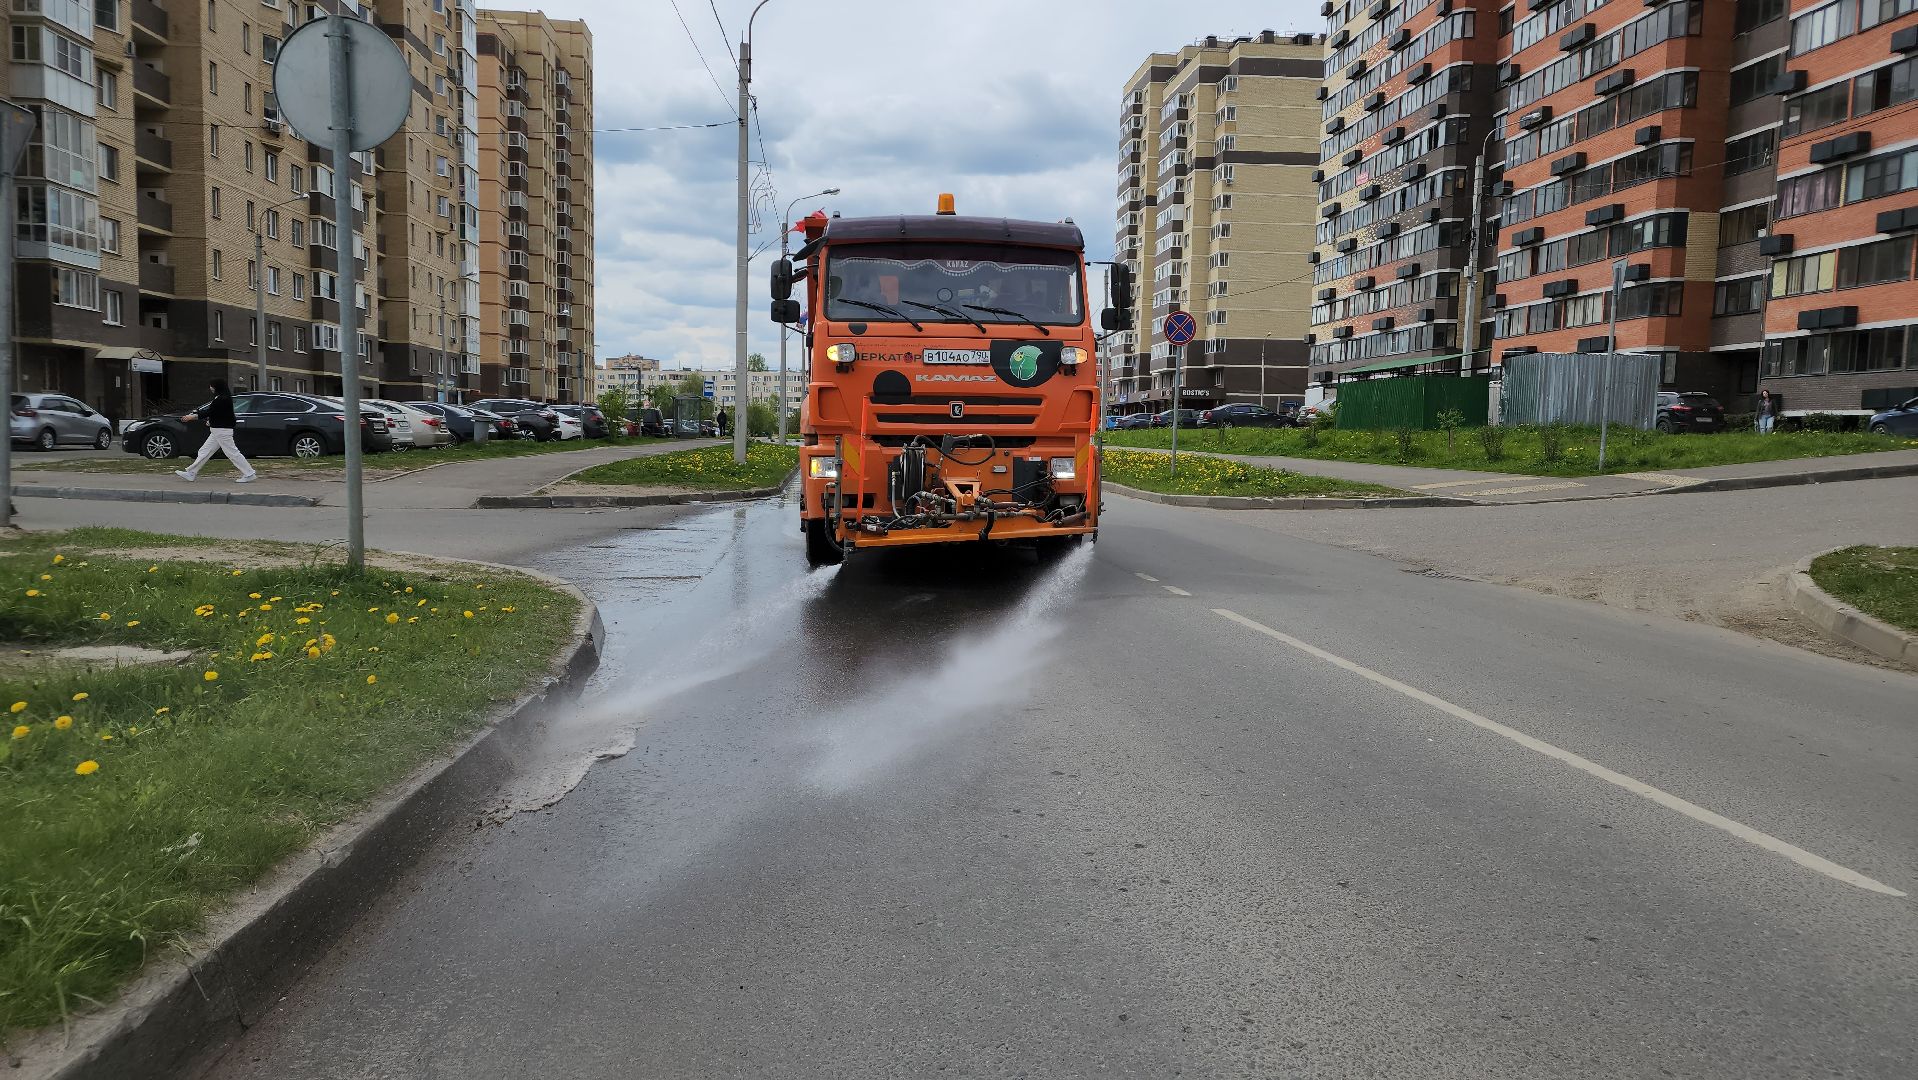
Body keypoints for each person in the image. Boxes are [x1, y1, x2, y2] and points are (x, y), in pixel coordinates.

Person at [175, 379, 256, 483]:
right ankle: (191, 473)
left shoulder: (222, 399)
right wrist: (212, 421)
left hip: (222, 431)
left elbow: (210, 412)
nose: (210, 388)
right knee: (204, 451)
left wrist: (191, 417)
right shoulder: (223, 398)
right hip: (218, 430)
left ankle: (249, 473)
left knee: (232, 452)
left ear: (217, 387)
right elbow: (220, 414)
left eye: (212, 386)